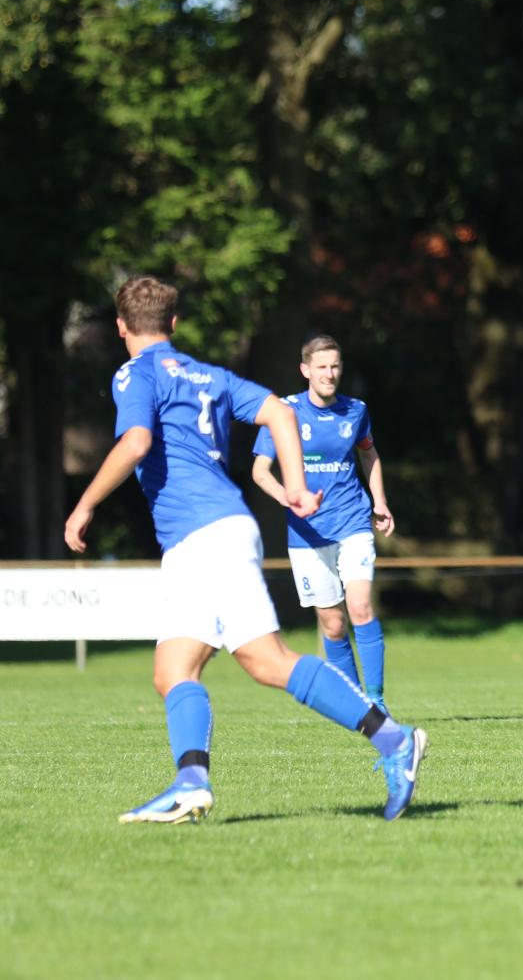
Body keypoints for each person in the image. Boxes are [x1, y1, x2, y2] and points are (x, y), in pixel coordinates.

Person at [63, 277, 426, 823]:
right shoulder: (208, 375)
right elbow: (280, 413)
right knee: (175, 668)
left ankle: (394, 740)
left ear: (120, 327)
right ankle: (190, 783)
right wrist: (298, 486)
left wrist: (85, 503)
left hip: (205, 536)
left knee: (267, 661)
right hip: (212, 534)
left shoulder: (134, 373)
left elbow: (135, 442)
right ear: (175, 324)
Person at [253, 334, 396, 712]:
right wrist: (289, 498)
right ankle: (354, 707)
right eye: (321, 367)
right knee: (333, 625)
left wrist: (379, 501)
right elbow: (259, 471)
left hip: (352, 522)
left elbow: (370, 455)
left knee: (360, 607)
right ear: (305, 370)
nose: (329, 374)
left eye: (335, 366)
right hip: (307, 533)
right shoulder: (284, 413)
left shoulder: (356, 411)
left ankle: (378, 702)